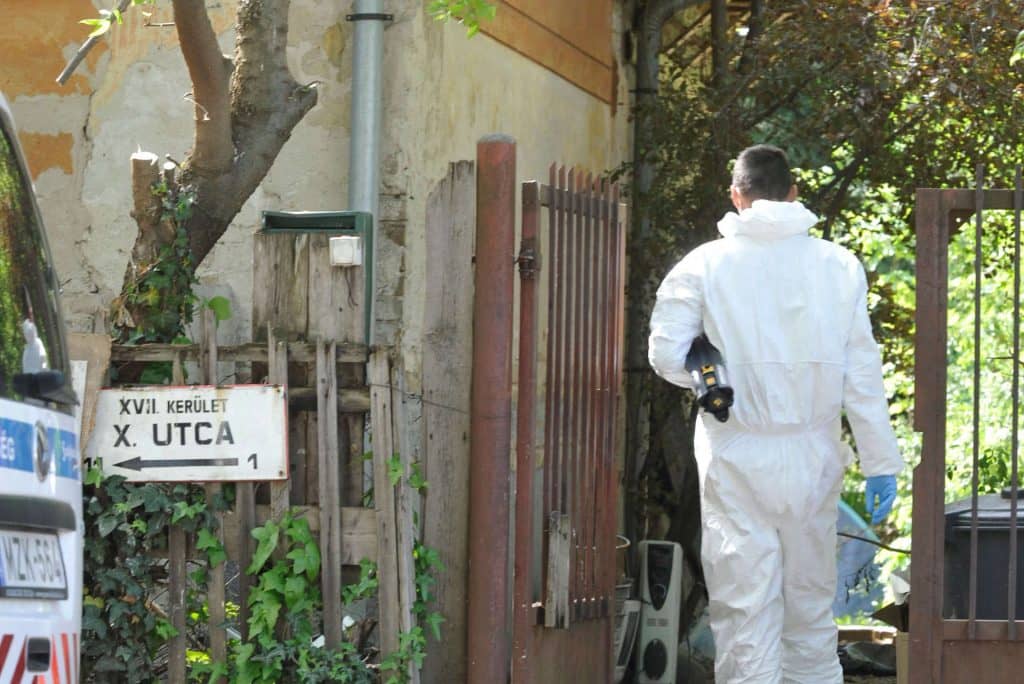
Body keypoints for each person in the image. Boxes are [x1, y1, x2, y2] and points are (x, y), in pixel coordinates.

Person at [648, 144, 903, 683]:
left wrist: (712, 376)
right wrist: (880, 461)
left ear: (735, 196)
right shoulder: (839, 266)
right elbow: (861, 374)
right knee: (809, 605)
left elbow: (667, 355)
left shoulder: (703, 265)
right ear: (793, 193)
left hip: (736, 449)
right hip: (814, 452)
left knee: (745, 609)